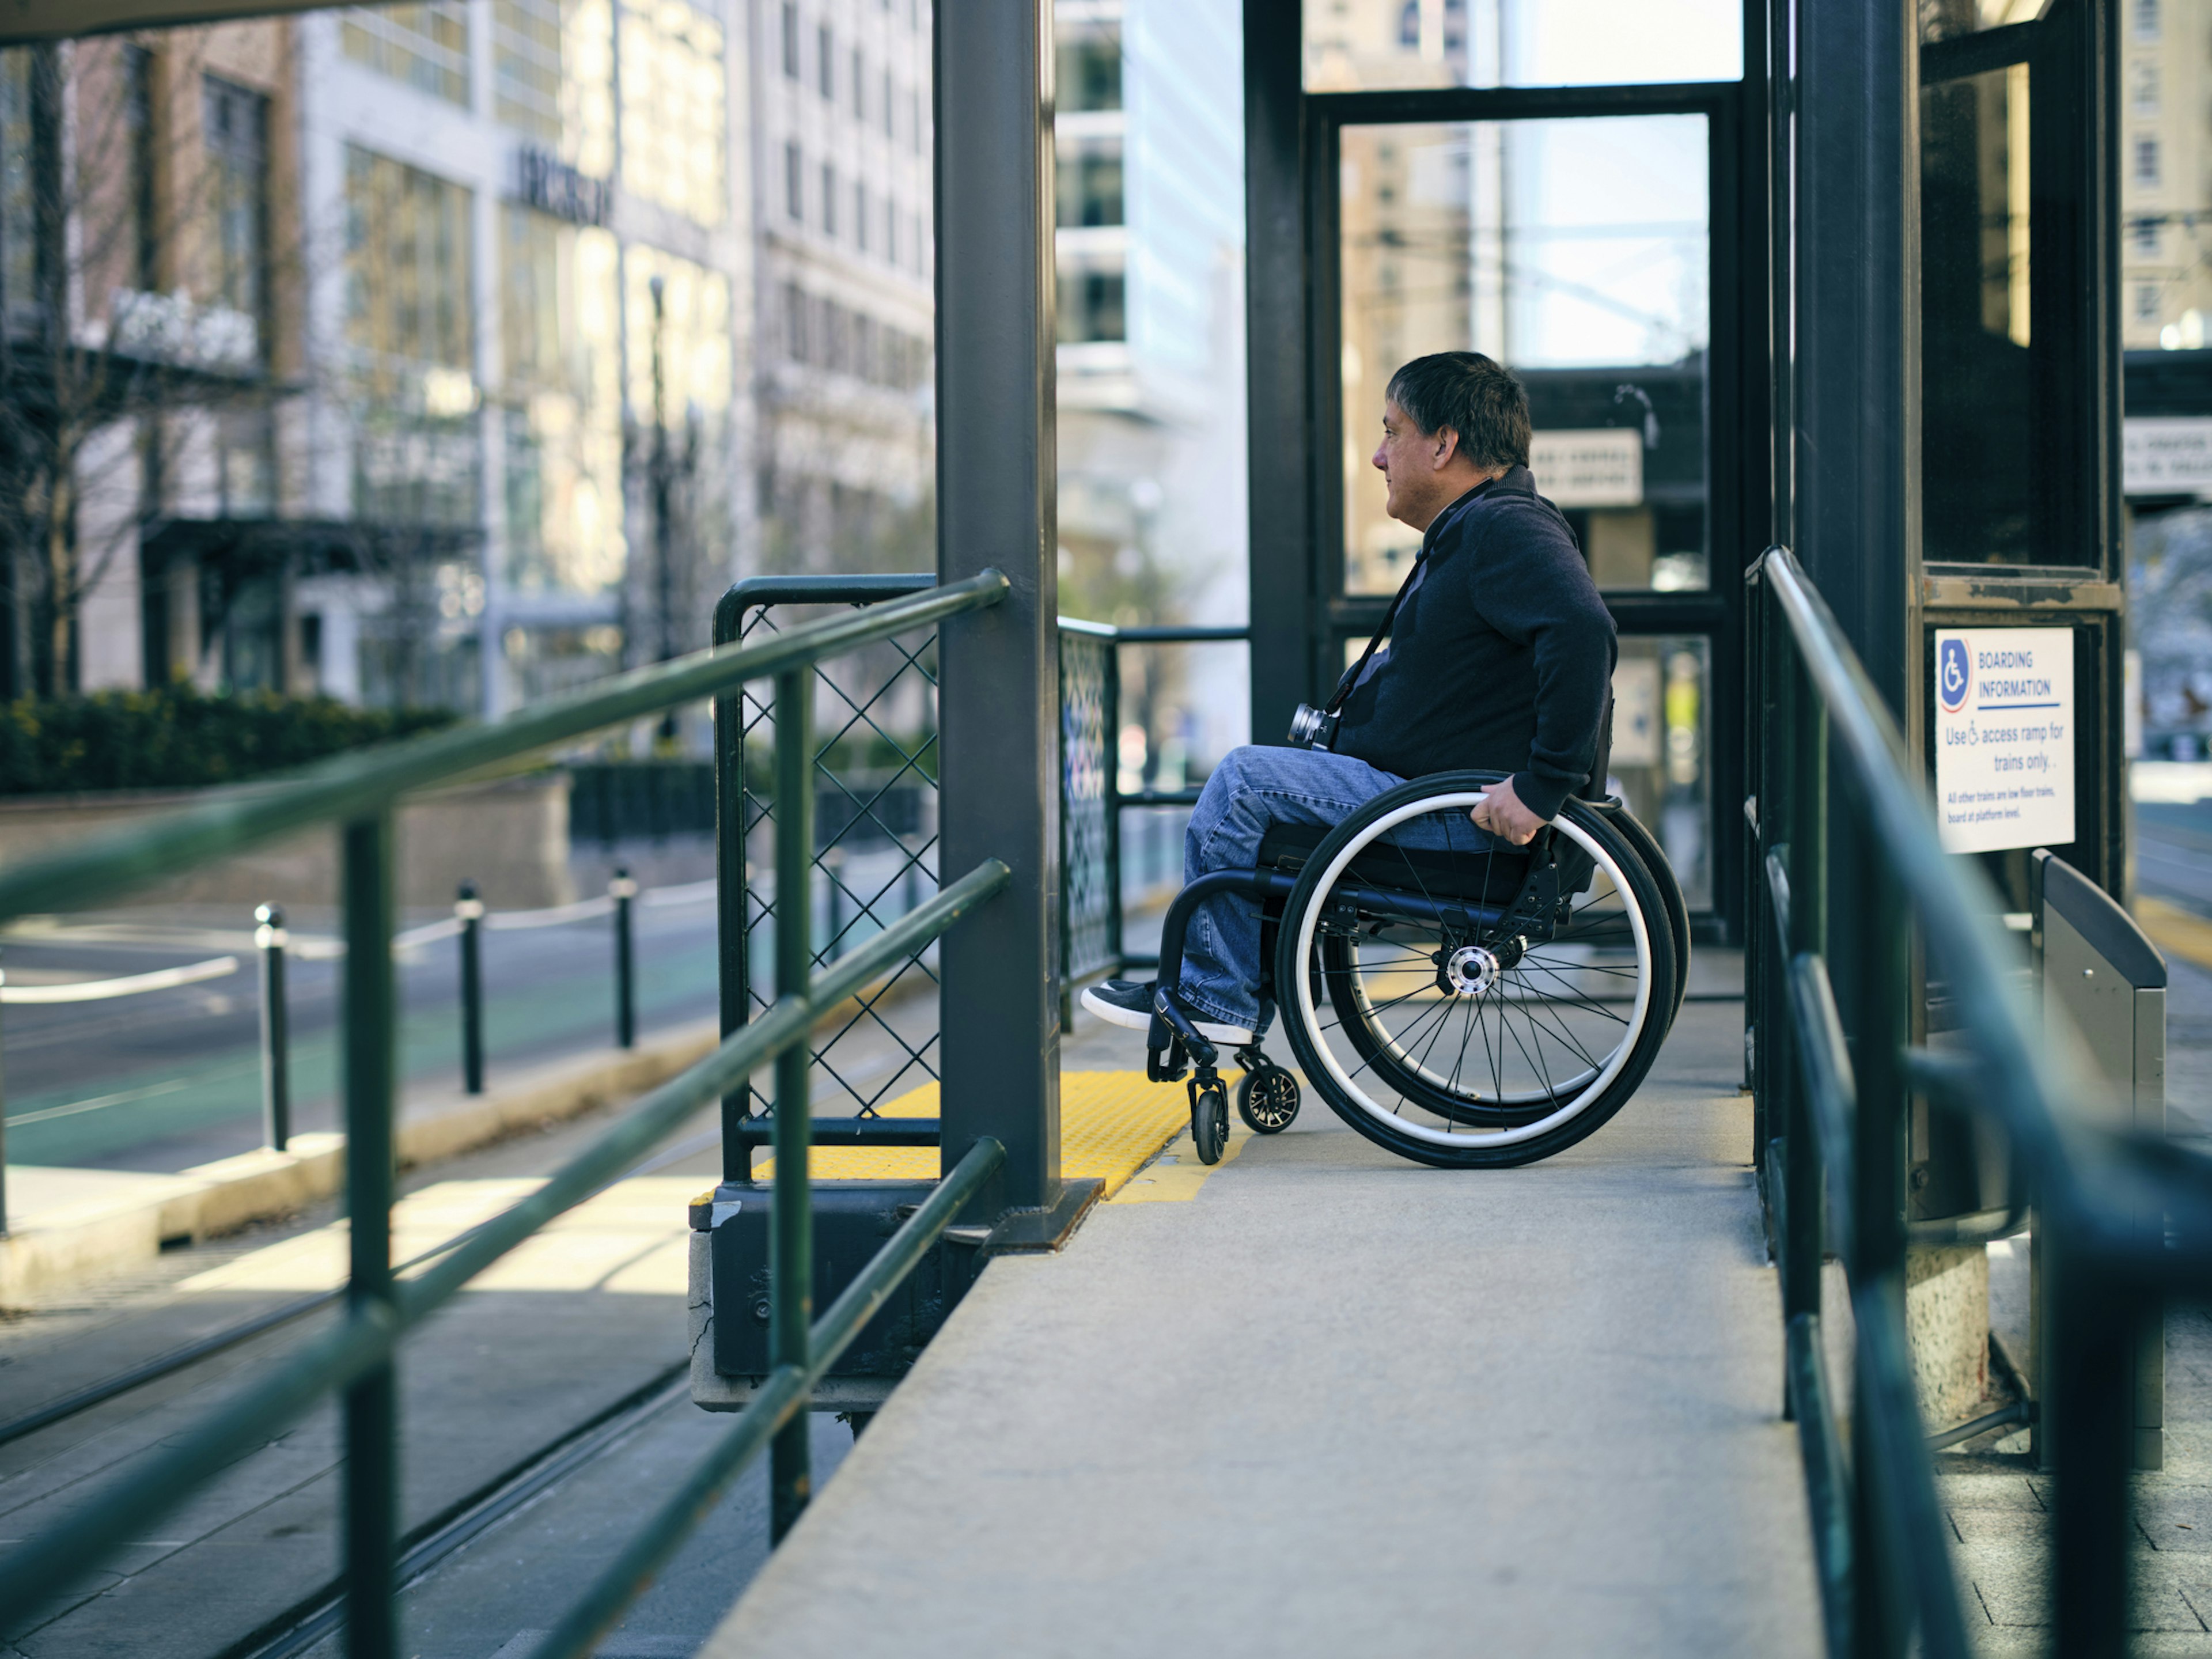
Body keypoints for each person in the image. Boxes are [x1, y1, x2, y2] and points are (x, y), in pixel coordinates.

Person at [1081, 349, 1618, 1046]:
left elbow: (1584, 630)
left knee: (1242, 784)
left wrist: (1543, 786)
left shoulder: (1504, 526)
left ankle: (1216, 998)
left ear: (1444, 445)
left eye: (1392, 432)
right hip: (1439, 801)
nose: (1377, 456)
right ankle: (1238, 986)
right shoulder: (1481, 528)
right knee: (1263, 787)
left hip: (1460, 818)